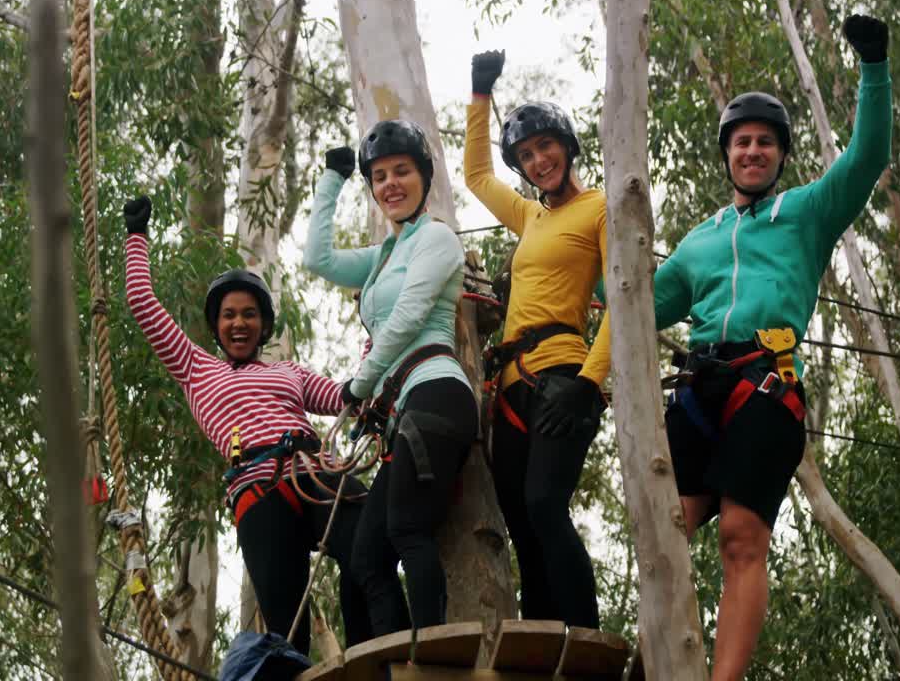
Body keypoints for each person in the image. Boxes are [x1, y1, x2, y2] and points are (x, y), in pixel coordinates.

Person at [652, 15, 892, 680]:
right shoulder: (701, 238)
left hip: (766, 388)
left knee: (739, 535)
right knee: (659, 529)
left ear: (780, 155)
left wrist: (874, 66)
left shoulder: (807, 212)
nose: (752, 152)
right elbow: (634, 305)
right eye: (741, 143)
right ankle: (657, 663)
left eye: (764, 143)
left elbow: (867, 158)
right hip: (699, 392)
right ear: (726, 154)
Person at [121, 195, 372, 655]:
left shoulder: (288, 372)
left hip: (315, 468)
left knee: (369, 547)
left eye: (249, 314)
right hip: (258, 487)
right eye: (229, 315)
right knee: (285, 620)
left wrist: (376, 330)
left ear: (263, 325)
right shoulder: (197, 368)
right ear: (216, 326)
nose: (239, 323)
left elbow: (346, 397)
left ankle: (368, 655)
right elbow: (143, 304)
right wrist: (137, 236)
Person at [302, 120, 478, 635]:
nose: (390, 184)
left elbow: (407, 316)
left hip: (436, 393)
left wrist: (359, 385)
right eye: (379, 177)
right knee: (366, 556)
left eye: (402, 171)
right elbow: (318, 258)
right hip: (406, 412)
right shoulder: (384, 255)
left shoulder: (439, 238)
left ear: (424, 177)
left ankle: (432, 658)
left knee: (405, 529)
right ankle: (396, 659)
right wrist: (332, 180)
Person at [463, 50, 611, 629]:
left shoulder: (601, 207)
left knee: (547, 507)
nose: (538, 160)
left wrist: (589, 383)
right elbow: (477, 176)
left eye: (545, 146)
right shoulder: (530, 217)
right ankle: (545, 642)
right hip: (510, 387)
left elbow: (624, 304)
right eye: (526, 155)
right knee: (521, 522)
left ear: (567, 145)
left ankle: (584, 638)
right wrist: (480, 93)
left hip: (562, 375)